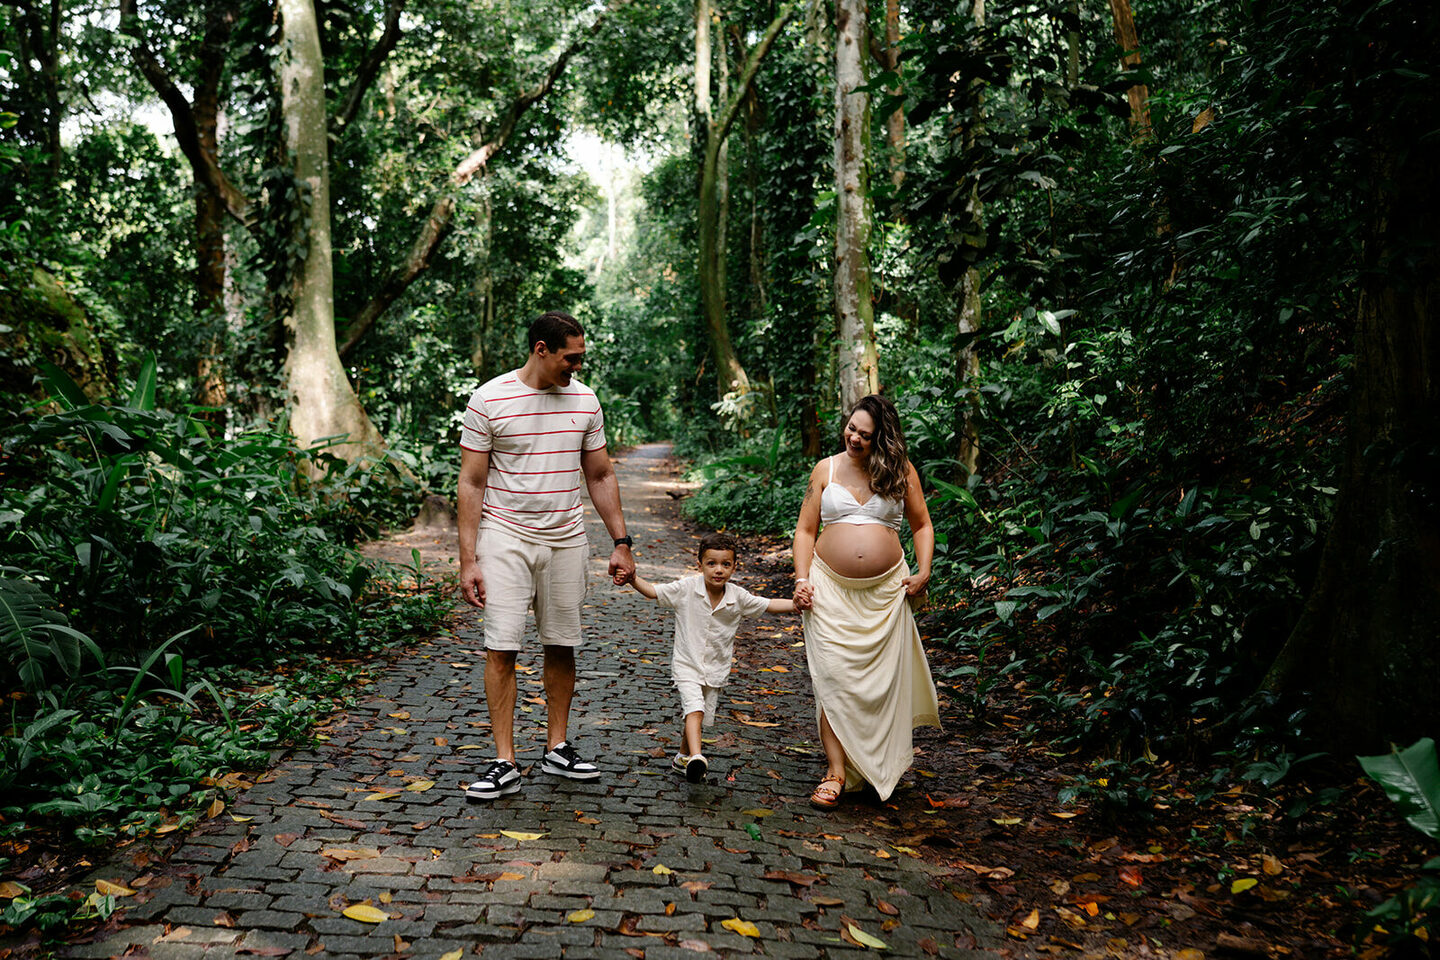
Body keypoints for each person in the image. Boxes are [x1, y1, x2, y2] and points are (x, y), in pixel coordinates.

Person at [457, 311, 636, 801]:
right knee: (502, 646)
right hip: (504, 537)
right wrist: (468, 559)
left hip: (565, 539)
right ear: (541, 349)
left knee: (561, 643)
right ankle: (504, 760)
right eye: (569, 357)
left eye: (580, 358)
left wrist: (621, 542)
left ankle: (557, 746)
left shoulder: (585, 400)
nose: (576, 367)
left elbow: (599, 475)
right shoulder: (489, 399)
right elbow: (471, 482)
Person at [791, 394, 942, 808]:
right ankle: (836, 772)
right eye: (851, 428)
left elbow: (922, 524)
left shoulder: (901, 472)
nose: (853, 437)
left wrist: (924, 570)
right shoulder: (827, 468)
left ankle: (875, 762)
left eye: (865, 434)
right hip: (829, 590)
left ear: (883, 439)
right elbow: (805, 531)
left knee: (879, 685)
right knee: (833, 678)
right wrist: (801, 579)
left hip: (883, 596)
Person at [621, 532, 795, 782]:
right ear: (699, 563)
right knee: (695, 708)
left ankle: (682, 758)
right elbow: (653, 592)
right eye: (711, 563)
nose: (719, 570)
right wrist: (633, 578)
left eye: (726, 564)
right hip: (687, 664)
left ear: (735, 566)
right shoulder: (686, 589)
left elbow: (767, 604)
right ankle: (697, 757)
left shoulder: (738, 597)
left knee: (698, 715)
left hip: (715, 669)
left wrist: (797, 604)